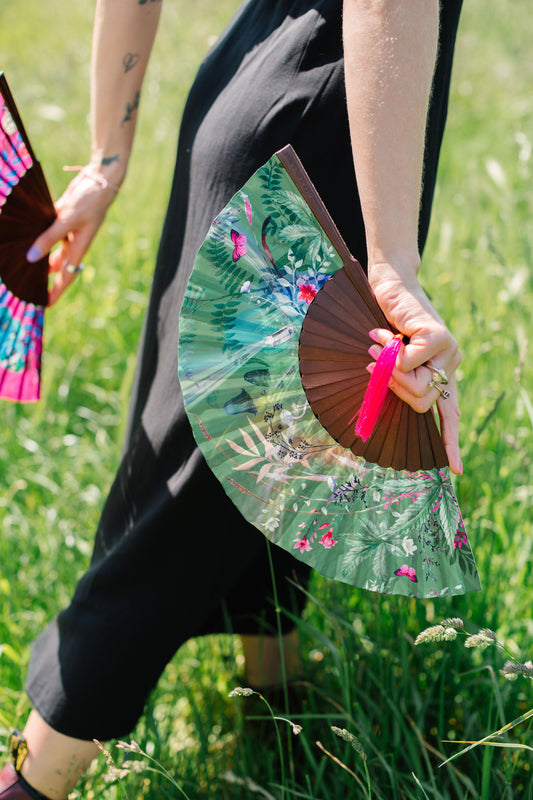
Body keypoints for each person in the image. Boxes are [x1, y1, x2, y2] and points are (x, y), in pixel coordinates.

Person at [0, 0, 464, 798]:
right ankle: (33, 781)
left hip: (243, 93)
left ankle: (277, 706)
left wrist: (107, 157)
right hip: (330, 132)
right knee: (190, 494)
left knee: (270, 451)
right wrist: (387, 264)